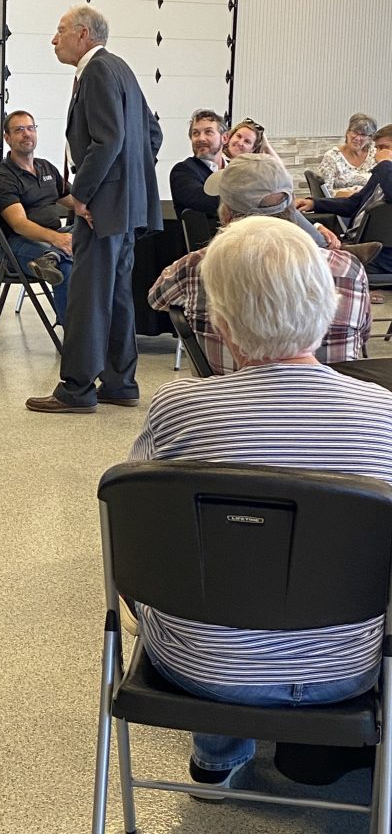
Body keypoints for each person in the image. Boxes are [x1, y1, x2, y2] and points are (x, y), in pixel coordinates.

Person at [129, 215, 392, 793]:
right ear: (332, 307)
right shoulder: (384, 417)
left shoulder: (177, 409)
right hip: (346, 670)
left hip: (200, 670)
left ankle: (217, 757)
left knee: (198, 562)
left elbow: (141, 530)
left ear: (220, 322)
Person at [26, 4, 162, 413]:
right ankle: (121, 383)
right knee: (117, 296)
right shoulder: (120, 68)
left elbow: (108, 141)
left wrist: (84, 195)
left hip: (102, 210)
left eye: (60, 30)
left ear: (83, 34)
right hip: (123, 209)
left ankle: (77, 388)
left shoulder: (99, 70)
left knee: (86, 298)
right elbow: (151, 135)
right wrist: (129, 187)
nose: (54, 39)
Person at [151, 153, 371, 372]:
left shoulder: (195, 267)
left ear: (226, 213)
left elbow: (157, 299)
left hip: (226, 399)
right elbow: (363, 335)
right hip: (336, 401)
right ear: (290, 206)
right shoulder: (347, 269)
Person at [0, 110, 73, 323]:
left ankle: (52, 257)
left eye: (30, 128)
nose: (27, 134)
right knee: (68, 266)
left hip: (52, 237)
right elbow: (19, 224)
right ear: (7, 138)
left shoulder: (45, 167)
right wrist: (57, 239)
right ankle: (74, 335)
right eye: (19, 130)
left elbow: (73, 200)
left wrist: (99, 212)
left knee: (95, 236)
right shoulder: (3, 177)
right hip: (18, 246)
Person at [298, 124, 392, 274]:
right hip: (355, 243)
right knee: (297, 232)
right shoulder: (383, 173)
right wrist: (313, 203)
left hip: (380, 256)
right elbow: (354, 203)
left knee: (307, 263)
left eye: (384, 148)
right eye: (378, 148)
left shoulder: (385, 170)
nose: (377, 154)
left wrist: (385, 163)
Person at [169, 109, 228, 219]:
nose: (201, 138)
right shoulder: (183, 171)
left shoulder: (235, 168)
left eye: (208, 132)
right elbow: (206, 203)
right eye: (195, 133)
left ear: (224, 138)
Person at [318, 112, 377, 196]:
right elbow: (325, 193)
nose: (357, 138)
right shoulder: (332, 156)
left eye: (363, 135)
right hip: (341, 205)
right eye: (355, 132)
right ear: (347, 132)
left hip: (371, 205)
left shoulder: (376, 155)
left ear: (370, 138)